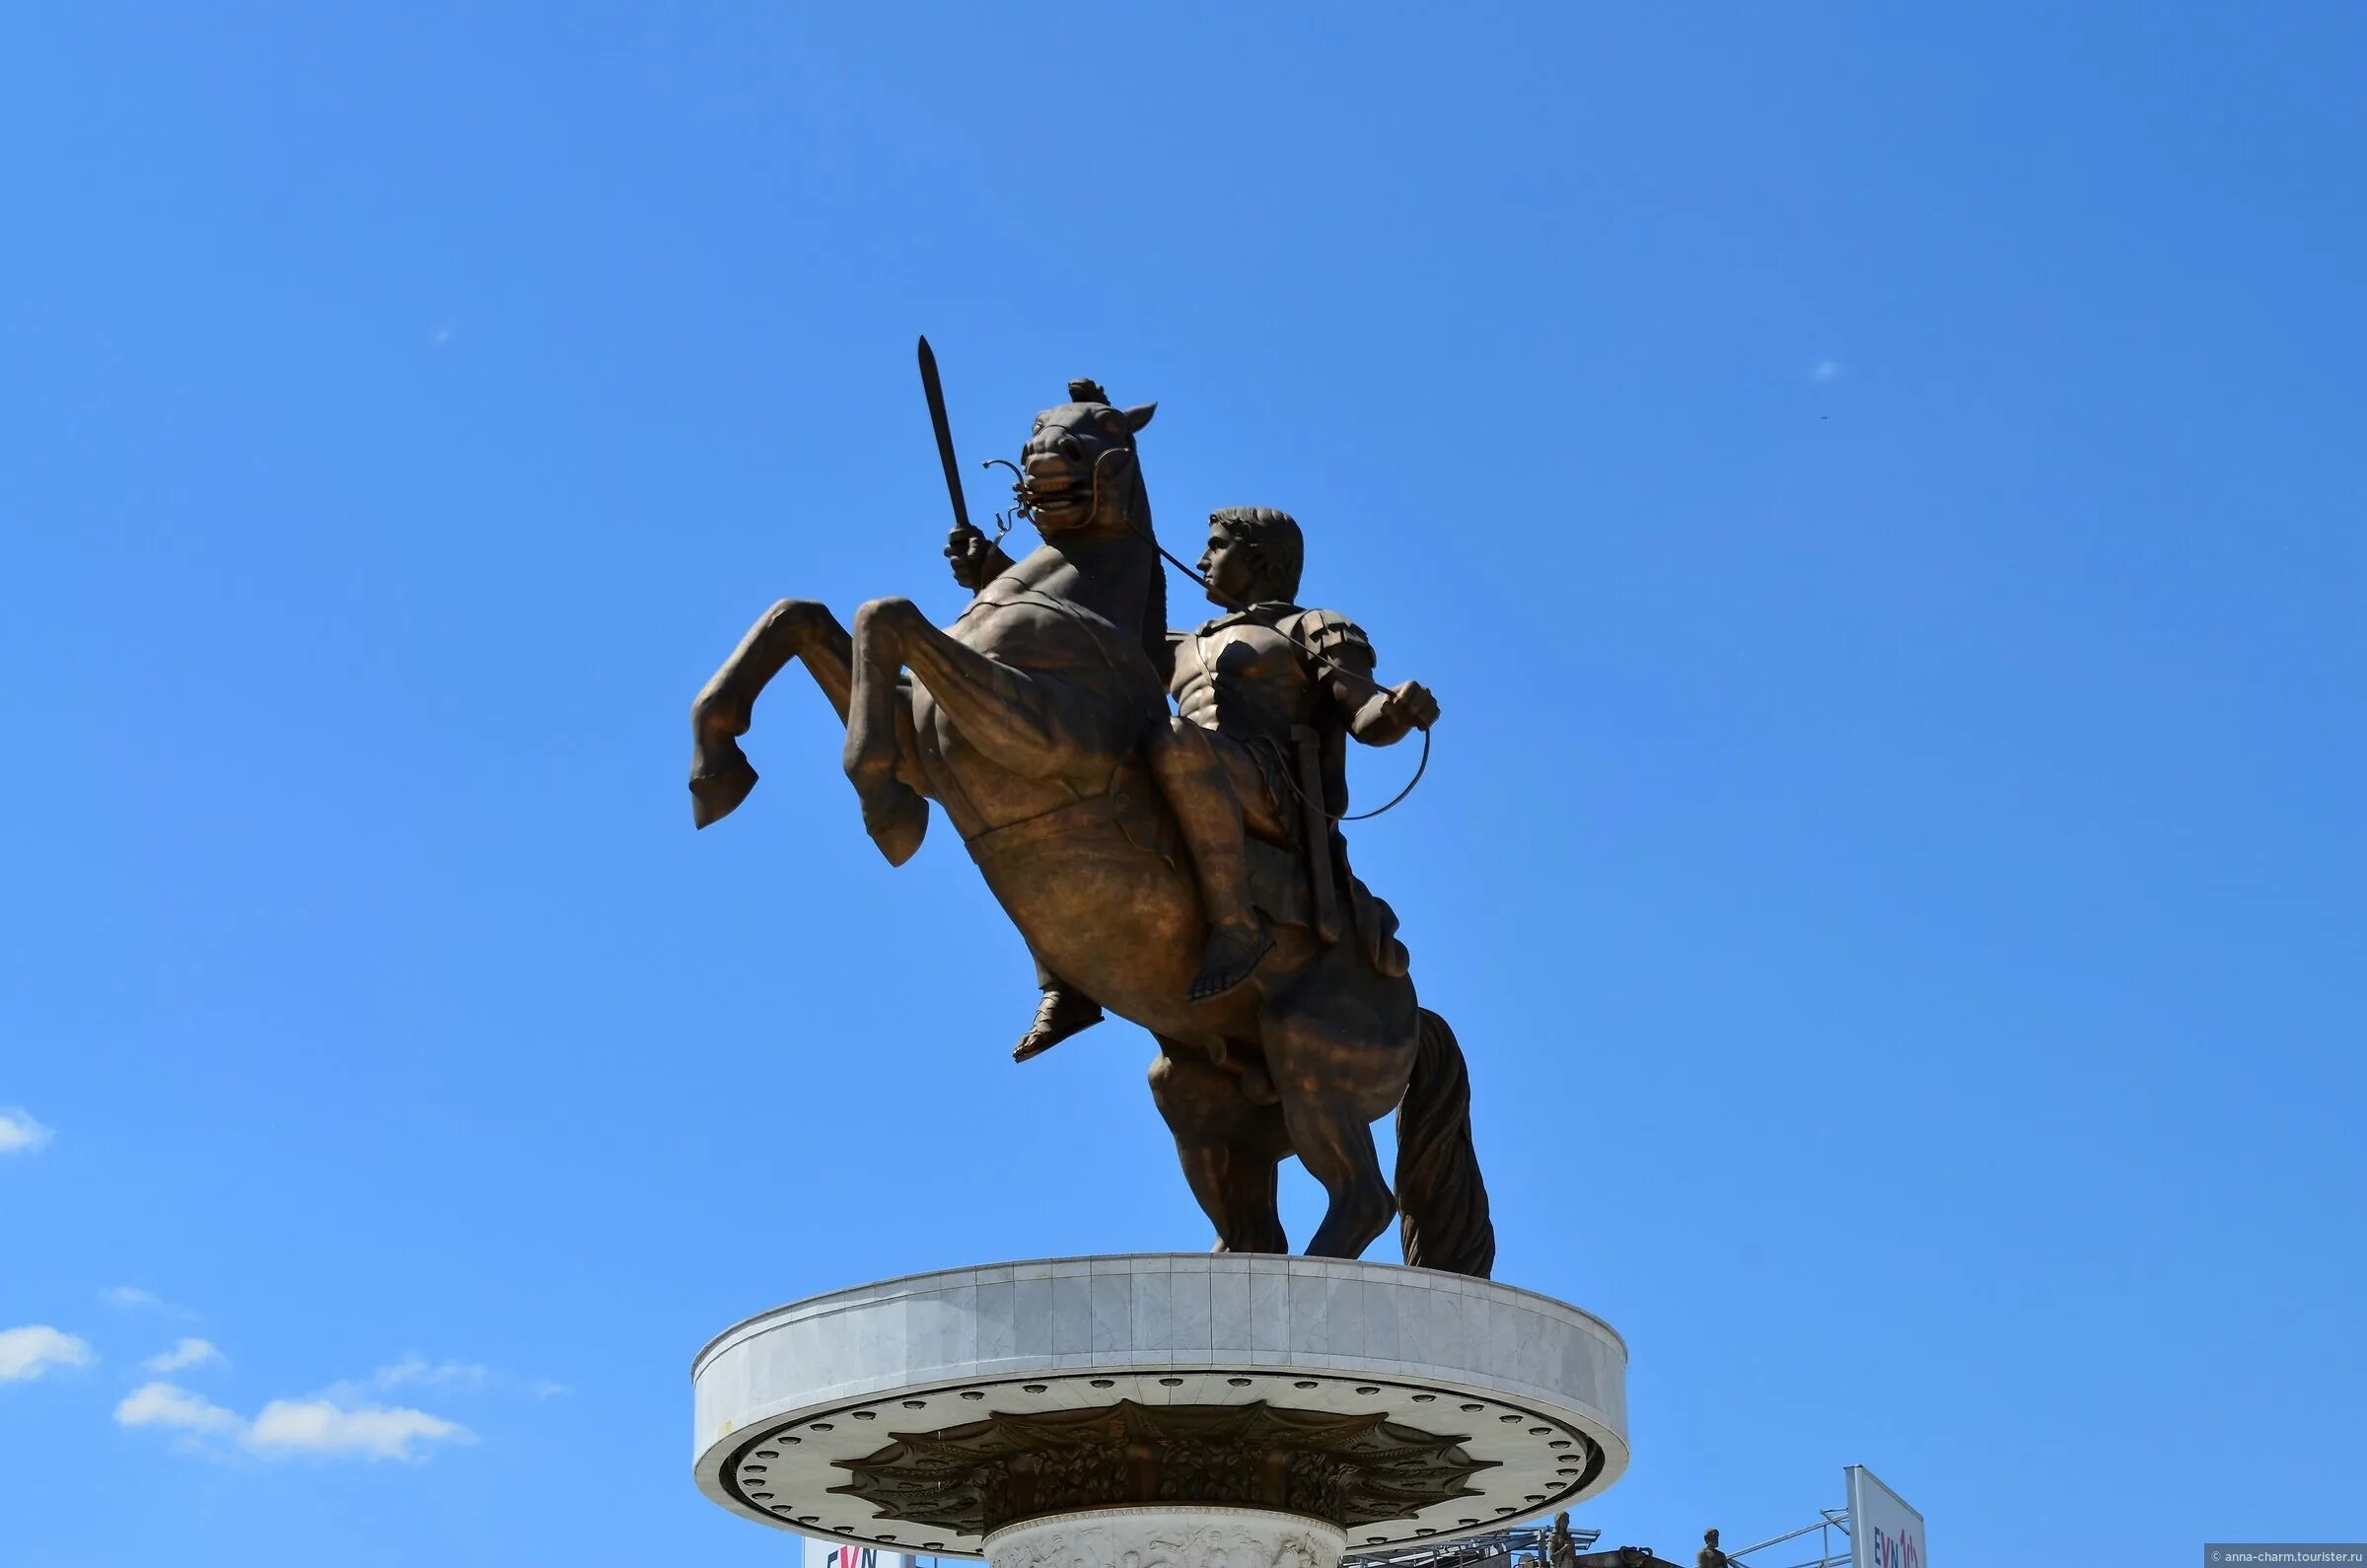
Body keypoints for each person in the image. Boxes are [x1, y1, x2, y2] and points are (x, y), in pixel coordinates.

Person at [950, 505, 1436, 1060]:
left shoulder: (1314, 627)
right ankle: (1064, 976)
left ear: (1256, 559)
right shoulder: (1184, 642)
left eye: (1217, 545)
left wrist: (1399, 708)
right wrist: (996, 571)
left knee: (1175, 740)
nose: (1202, 558)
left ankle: (1237, 927)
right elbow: (1079, 633)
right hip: (1189, 768)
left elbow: (1366, 714)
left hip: (1271, 789)